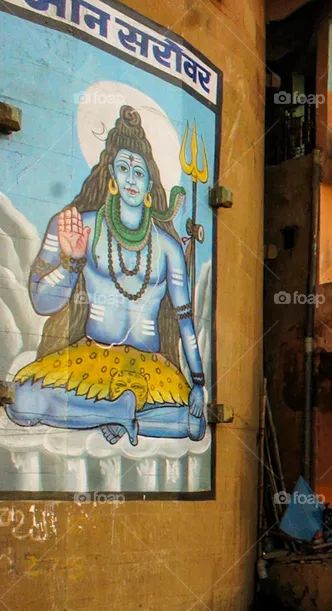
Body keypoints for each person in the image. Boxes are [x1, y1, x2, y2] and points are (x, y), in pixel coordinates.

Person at [5, 106, 206, 445]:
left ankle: (112, 413)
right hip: (91, 359)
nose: (131, 179)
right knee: (21, 401)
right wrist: (73, 262)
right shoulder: (80, 225)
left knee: (195, 422)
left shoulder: (168, 247)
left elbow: (186, 323)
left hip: (150, 370)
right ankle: (115, 412)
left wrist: (199, 384)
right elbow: (41, 302)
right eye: (124, 168)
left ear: (149, 185)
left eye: (139, 173)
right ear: (111, 176)